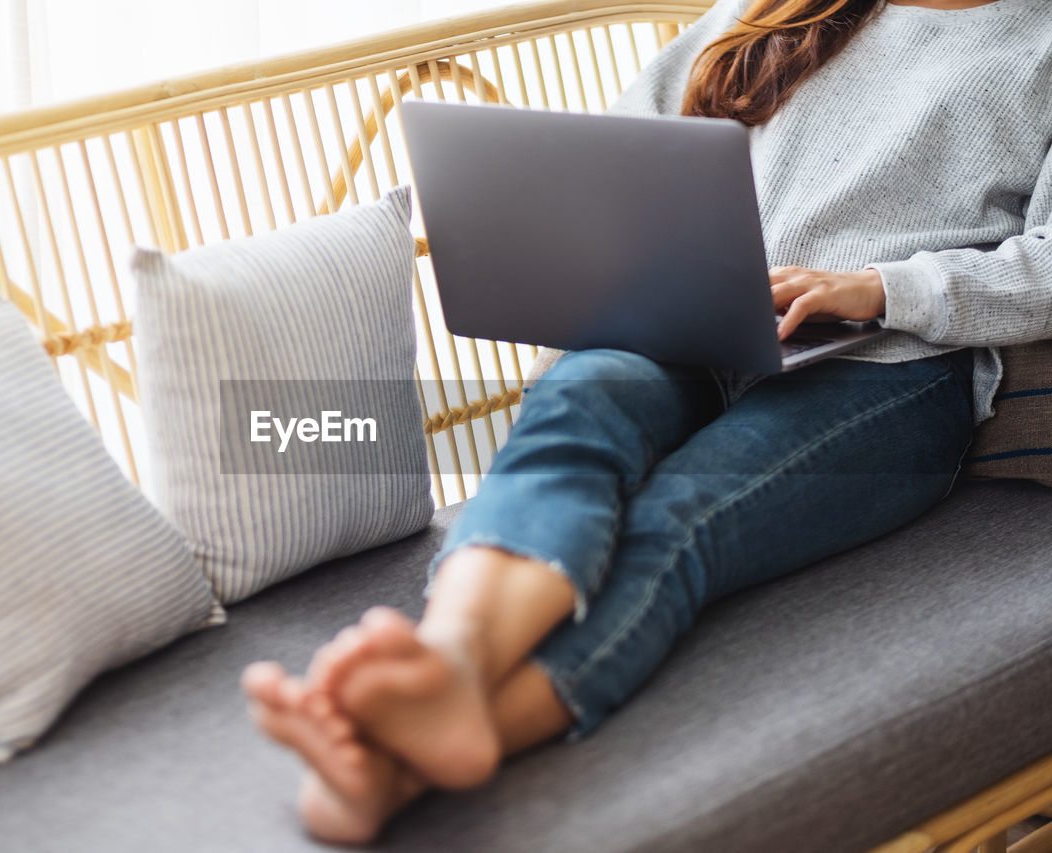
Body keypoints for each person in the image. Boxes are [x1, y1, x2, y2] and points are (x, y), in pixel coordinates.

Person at [243, 0, 1052, 843]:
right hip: (698, 325)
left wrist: (878, 286)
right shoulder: (777, 10)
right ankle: (449, 657)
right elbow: (622, 157)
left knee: (679, 516)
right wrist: (594, 271)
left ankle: (413, 759)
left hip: (893, 363)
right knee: (575, 408)